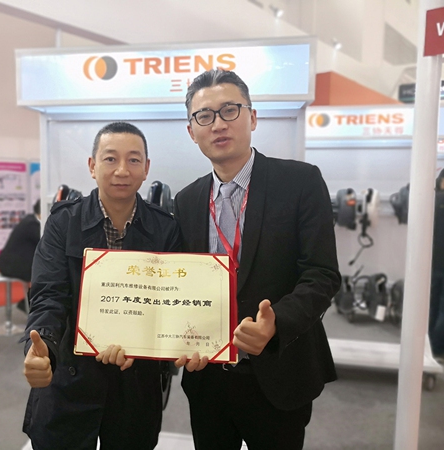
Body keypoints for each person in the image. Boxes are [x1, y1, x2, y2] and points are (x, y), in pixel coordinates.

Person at [172, 69, 341, 450]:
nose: (218, 124)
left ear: (252, 117)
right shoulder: (186, 201)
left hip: (279, 371)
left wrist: (276, 322)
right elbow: (182, 284)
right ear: (192, 131)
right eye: (204, 115)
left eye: (229, 110)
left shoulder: (300, 182)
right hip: (208, 376)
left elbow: (322, 274)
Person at [21, 122, 181, 450]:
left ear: (146, 168)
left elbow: (171, 304)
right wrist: (42, 347)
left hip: (136, 384)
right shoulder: (63, 222)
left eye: (133, 160)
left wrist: (151, 344)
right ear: (92, 166)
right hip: (70, 376)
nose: (122, 170)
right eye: (110, 158)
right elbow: (49, 295)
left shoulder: (166, 229)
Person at [0, 199, 41, 312]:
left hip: (10, 263)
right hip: (13, 267)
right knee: (48, 275)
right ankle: (29, 305)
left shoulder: (30, 220)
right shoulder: (33, 224)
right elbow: (44, 241)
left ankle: (28, 303)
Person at [429, 169, 444, 362]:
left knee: (431, 304)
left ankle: (429, 343)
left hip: (432, 262)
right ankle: (438, 347)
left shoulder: (432, 201)